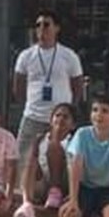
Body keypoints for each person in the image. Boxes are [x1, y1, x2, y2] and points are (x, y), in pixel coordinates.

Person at [13, 10, 84, 183]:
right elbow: (18, 85)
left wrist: (70, 109)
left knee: (61, 157)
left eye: (46, 24)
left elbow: (77, 84)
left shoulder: (69, 56)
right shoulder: (26, 56)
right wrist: (28, 105)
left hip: (60, 119)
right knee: (25, 158)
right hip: (33, 116)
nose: (41, 29)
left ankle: (57, 190)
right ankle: (26, 196)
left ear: (57, 28)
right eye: (38, 25)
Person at [13, 102, 76, 217]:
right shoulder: (41, 139)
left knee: (54, 146)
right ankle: (27, 203)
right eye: (57, 115)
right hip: (44, 184)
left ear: (73, 125)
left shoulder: (74, 140)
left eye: (65, 117)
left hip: (66, 185)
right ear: (51, 120)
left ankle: (55, 192)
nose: (60, 119)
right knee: (30, 162)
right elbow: (32, 167)